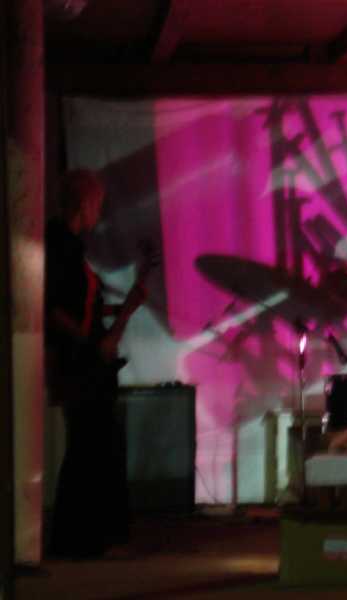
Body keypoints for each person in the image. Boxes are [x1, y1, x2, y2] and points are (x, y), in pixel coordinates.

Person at [46, 169, 147, 559]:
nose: (99, 212)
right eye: (98, 204)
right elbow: (54, 309)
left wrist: (121, 310)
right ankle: (77, 539)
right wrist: (92, 341)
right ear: (85, 203)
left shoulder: (70, 246)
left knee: (94, 446)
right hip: (80, 363)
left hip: (86, 359)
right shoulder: (61, 247)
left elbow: (78, 309)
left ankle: (88, 537)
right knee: (87, 449)